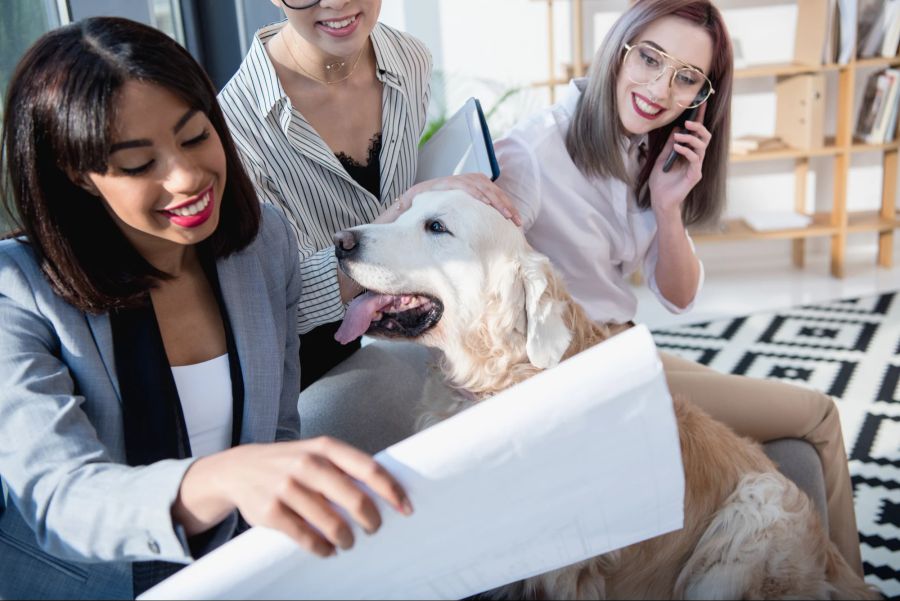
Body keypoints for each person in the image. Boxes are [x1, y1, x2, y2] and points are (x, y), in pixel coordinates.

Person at [0, 17, 412, 599]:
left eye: (195, 136)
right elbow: (61, 497)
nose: (188, 176)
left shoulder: (263, 244)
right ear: (80, 176)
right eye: (140, 165)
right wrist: (219, 478)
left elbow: (275, 432)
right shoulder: (16, 293)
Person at [494, 0, 864, 576]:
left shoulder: (643, 147)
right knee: (817, 415)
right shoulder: (533, 153)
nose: (660, 88)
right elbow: (484, 274)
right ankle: (852, 586)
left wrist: (668, 210)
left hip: (626, 350)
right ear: (619, 48)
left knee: (780, 415)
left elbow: (680, 297)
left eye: (686, 77)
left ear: (702, 94)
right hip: (585, 369)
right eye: (649, 58)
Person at [219, 0, 519, 389]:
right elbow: (280, 304)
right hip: (312, 372)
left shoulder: (410, 59)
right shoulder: (233, 127)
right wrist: (404, 208)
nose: (336, 2)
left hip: (414, 331)